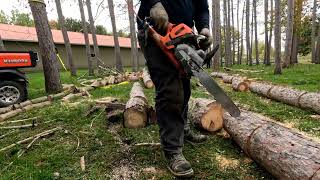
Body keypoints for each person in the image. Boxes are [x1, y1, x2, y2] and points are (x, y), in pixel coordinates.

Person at [137, 0, 212, 177]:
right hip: (155, 29)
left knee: (184, 85)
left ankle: (182, 129)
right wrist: (153, 3)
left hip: (184, 34)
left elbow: (202, 7)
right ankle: (172, 149)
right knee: (170, 89)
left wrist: (204, 27)